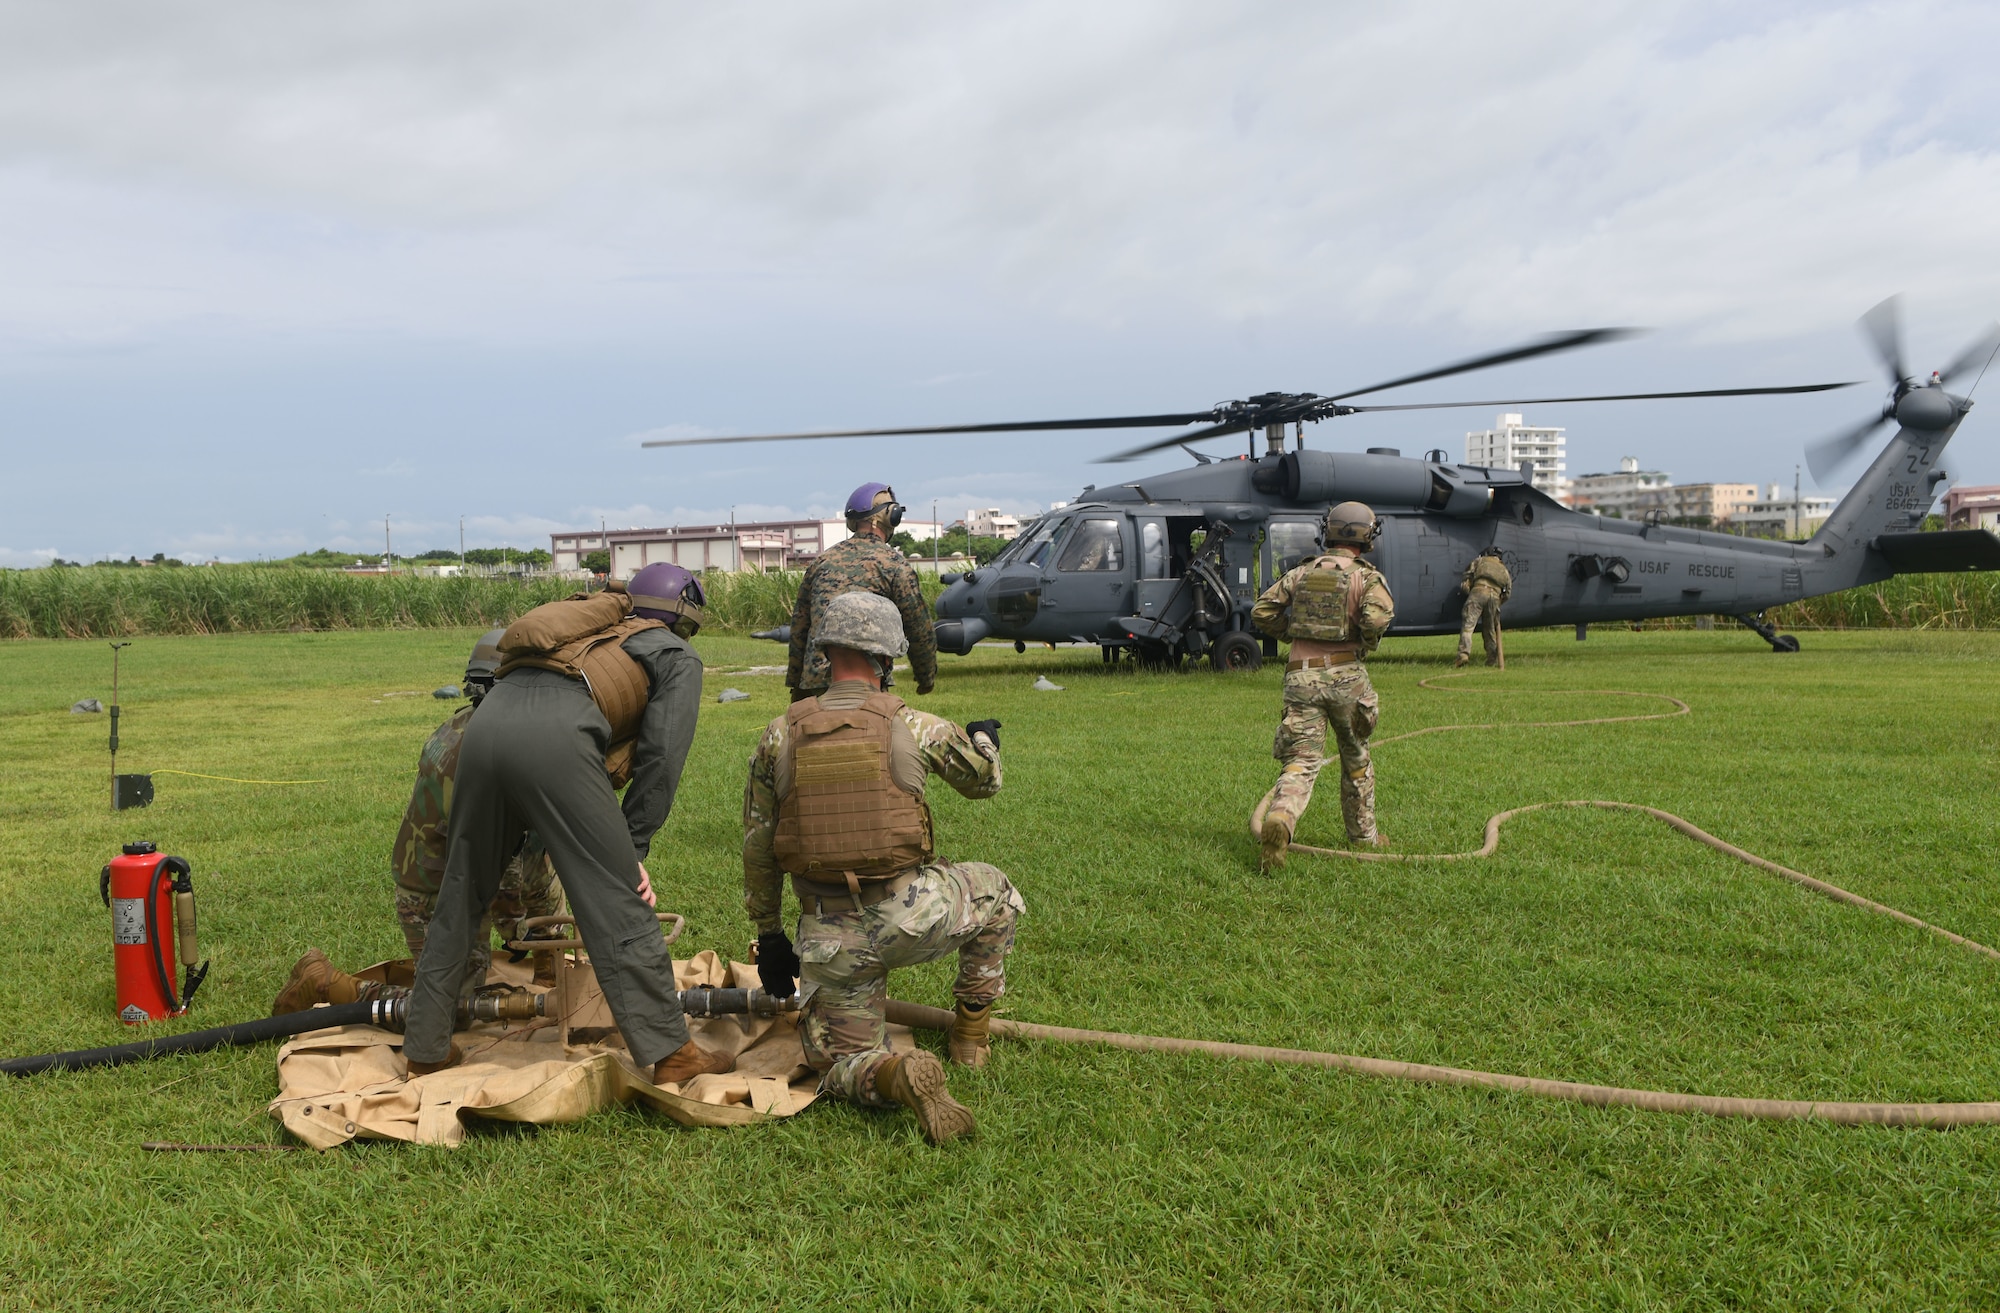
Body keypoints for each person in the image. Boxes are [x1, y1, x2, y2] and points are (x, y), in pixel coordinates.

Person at [400, 562, 732, 1085]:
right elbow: (662, 758)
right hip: (553, 739)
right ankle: (672, 1053)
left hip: (483, 732)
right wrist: (633, 848)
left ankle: (423, 1047)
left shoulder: (588, 630)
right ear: (682, 615)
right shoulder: (674, 653)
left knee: (462, 890)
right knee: (617, 900)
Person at [745, 592, 1019, 1144]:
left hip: (829, 940)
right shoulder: (914, 725)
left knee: (838, 1066)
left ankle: (891, 1076)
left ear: (826, 654)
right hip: (911, 914)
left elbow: (759, 847)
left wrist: (770, 936)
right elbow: (984, 782)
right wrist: (985, 738)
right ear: (886, 658)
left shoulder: (780, 733)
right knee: (996, 893)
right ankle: (969, 1037)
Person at [271, 630, 566, 1014]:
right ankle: (327, 982)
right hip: (435, 894)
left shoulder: (474, 729)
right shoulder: (483, 755)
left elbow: (534, 851)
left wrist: (546, 958)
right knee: (446, 1013)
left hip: (476, 874)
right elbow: (493, 857)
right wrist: (521, 932)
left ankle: (549, 971)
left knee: (542, 865)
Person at [1250, 501, 1396, 871]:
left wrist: (1293, 634)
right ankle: (1365, 838)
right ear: (1368, 536)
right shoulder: (1367, 578)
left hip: (1300, 676)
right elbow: (1376, 618)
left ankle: (1281, 817)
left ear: (1327, 531)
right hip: (1347, 677)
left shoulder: (1300, 574)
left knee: (1301, 762)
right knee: (1356, 758)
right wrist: (1362, 642)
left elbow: (1262, 611)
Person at [786, 482, 938, 703]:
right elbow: (919, 629)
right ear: (892, 517)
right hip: (866, 679)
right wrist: (926, 678)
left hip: (815, 683)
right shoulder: (895, 566)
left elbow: (799, 627)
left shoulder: (821, 562)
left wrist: (797, 684)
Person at [1456, 547, 1511, 669]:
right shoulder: (1504, 570)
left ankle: (1463, 655)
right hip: (1495, 597)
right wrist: (1497, 603)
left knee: (1468, 626)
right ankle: (1492, 659)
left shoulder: (1479, 561)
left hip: (1479, 591)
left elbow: (1466, 580)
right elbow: (1507, 593)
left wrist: (1468, 592)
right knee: (1489, 630)